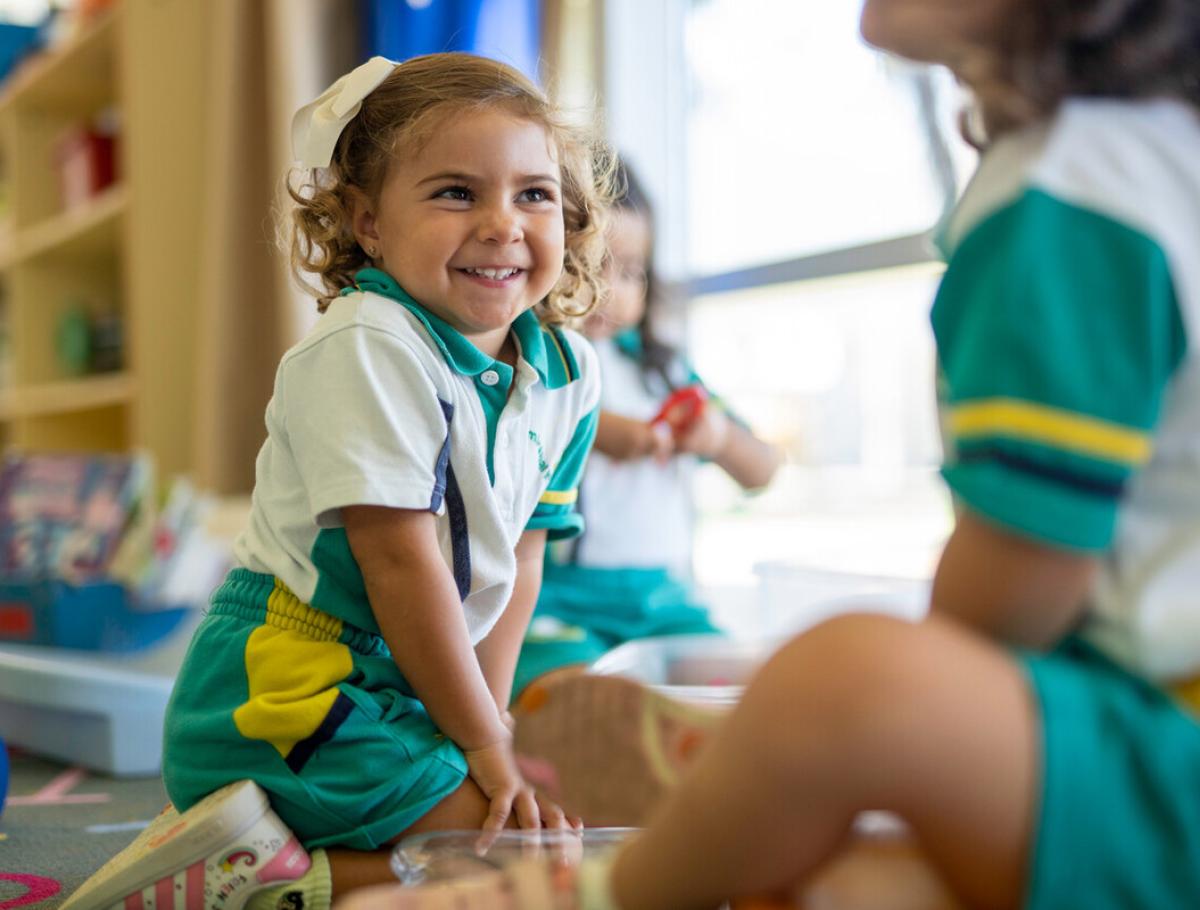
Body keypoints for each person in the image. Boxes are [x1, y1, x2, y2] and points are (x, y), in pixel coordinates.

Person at [334, 0, 1200, 907]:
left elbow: (1027, 565)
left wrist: (896, 739)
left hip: (1158, 744)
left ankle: (600, 887)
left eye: (535, 198)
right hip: (586, 612)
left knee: (840, 679)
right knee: (815, 873)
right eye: (456, 193)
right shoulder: (1128, 161)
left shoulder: (1071, 191)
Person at [61, 52, 614, 910]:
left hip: (403, 679)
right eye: (456, 193)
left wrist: (486, 732)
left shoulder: (569, 373)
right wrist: (480, 744)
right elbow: (399, 566)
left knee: (538, 827)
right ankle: (237, 887)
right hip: (283, 690)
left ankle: (290, 865)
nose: (504, 224)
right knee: (511, 850)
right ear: (368, 223)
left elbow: (523, 562)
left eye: (534, 194)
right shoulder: (370, 345)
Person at [511, 161, 782, 698]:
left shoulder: (664, 370)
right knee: (573, 697)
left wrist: (718, 437)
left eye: (632, 272)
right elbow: (524, 426)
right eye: (589, 266)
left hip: (665, 603)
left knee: (757, 691)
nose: (611, 292)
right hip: (559, 604)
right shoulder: (529, 355)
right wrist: (603, 431)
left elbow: (762, 471)